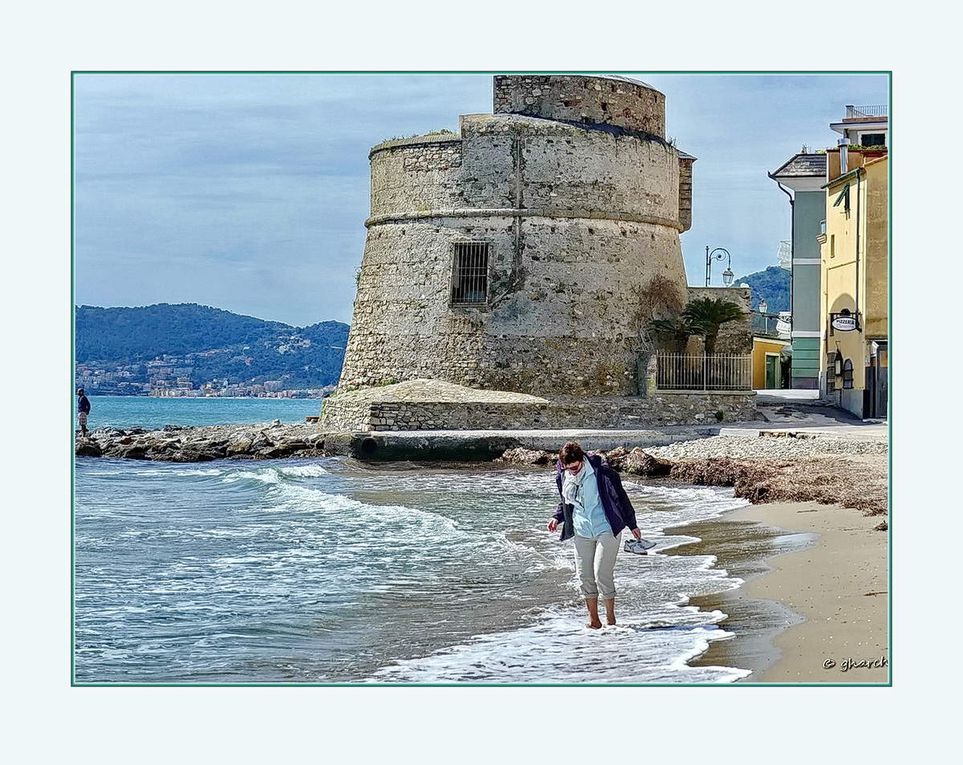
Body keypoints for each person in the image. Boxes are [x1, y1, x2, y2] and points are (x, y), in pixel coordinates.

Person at [547, 441, 642, 629]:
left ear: (582, 459)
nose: (572, 472)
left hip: (607, 527)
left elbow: (621, 497)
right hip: (581, 530)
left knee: (601, 574)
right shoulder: (563, 475)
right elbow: (566, 501)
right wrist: (557, 518)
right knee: (584, 576)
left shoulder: (602, 472)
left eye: (575, 468)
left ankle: (611, 618)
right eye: (569, 469)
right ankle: (593, 620)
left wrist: (632, 524)